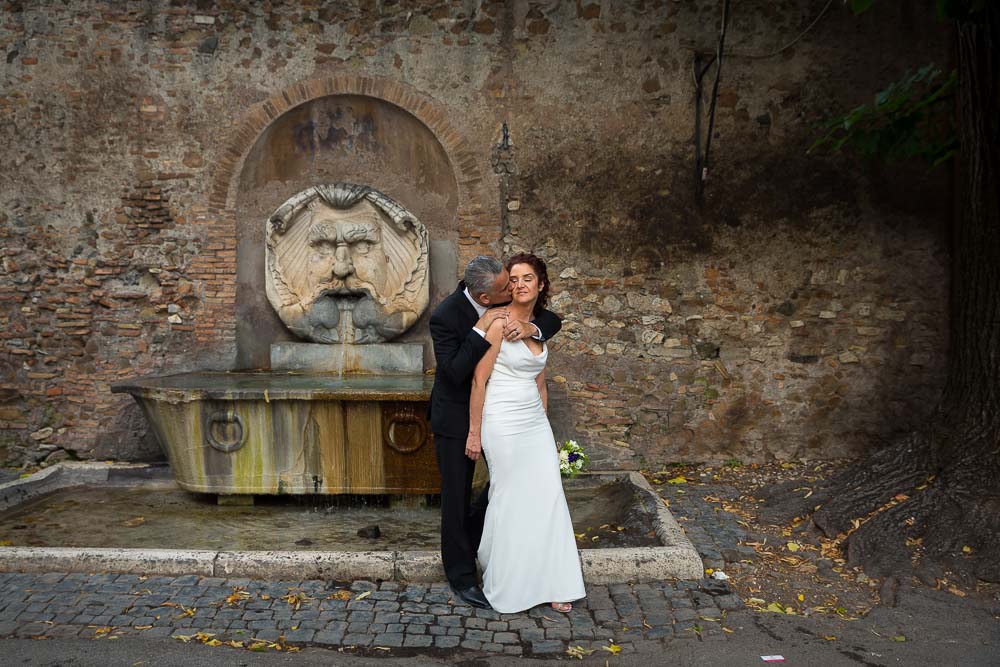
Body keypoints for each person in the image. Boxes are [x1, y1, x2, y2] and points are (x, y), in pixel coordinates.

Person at [429, 255, 562, 609]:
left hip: (507, 415)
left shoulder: (501, 294)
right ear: (485, 298)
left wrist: (534, 330)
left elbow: (548, 318)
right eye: (506, 287)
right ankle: (461, 578)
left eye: (515, 282)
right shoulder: (445, 317)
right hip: (458, 417)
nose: (513, 290)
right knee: (456, 496)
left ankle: (486, 545)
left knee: (504, 488)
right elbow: (457, 372)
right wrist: (481, 328)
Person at [467, 253, 585, 614]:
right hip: (501, 420)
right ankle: (510, 581)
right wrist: (475, 431)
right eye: (513, 278)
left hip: (534, 423)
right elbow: (478, 380)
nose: (519, 284)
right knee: (512, 497)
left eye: (527, 278)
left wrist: (544, 426)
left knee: (548, 497)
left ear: (541, 285)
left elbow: (540, 381)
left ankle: (555, 581)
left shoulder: (541, 326)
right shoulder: (498, 323)